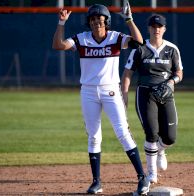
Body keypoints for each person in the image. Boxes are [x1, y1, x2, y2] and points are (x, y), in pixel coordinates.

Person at [52, 3, 150, 195]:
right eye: (94, 19)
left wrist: (129, 20)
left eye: (101, 19)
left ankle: (142, 177)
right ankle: (96, 182)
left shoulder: (115, 38)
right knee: (94, 136)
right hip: (88, 91)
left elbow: (139, 43)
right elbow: (58, 45)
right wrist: (61, 22)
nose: (97, 22)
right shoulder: (83, 39)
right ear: (89, 22)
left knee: (122, 133)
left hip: (111, 90)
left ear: (107, 21)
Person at [121, 14, 183, 184]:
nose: (156, 29)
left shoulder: (172, 49)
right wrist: (124, 93)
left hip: (166, 94)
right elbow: (127, 73)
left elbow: (179, 73)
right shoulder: (140, 48)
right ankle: (151, 174)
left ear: (164, 29)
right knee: (151, 134)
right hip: (145, 94)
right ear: (148, 28)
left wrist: (172, 82)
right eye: (153, 26)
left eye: (160, 26)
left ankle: (160, 151)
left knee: (170, 138)